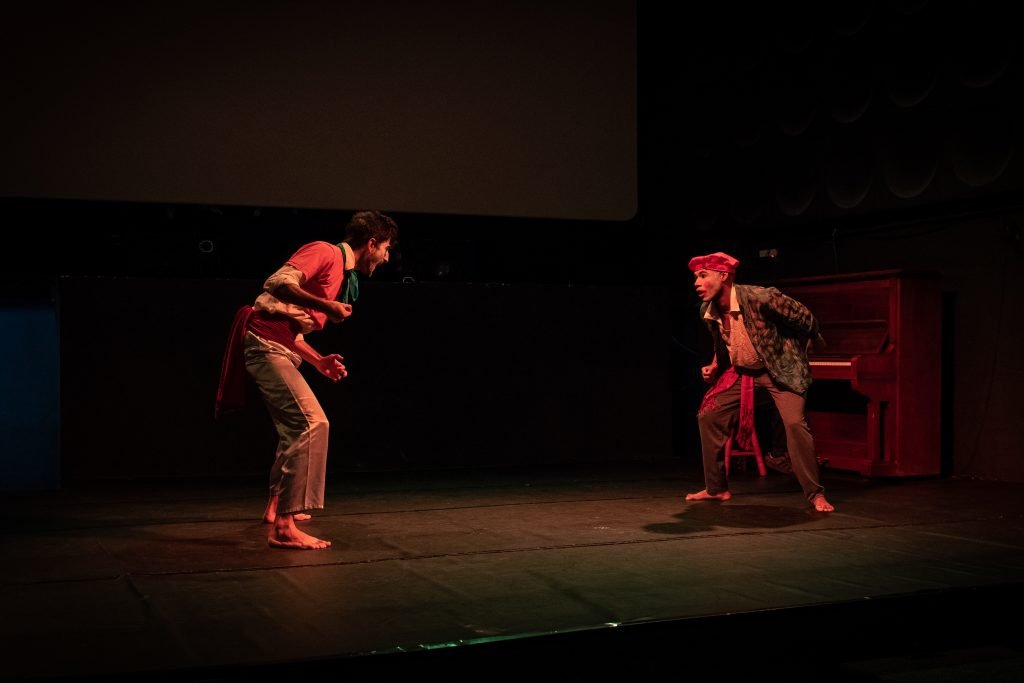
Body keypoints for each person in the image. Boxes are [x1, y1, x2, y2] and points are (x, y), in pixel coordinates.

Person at [216, 211, 398, 548]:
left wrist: (318, 362)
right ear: (371, 243)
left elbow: (293, 329)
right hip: (265, 341)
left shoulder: (341, 273)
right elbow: (277, 283)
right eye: (386, 248)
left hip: (280, 343)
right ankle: (285, 526)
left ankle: (276, 508)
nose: (386, 257)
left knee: (294, 428)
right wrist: (326, 305)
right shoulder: (325, 252)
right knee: (312, 424)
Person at [684, 251, 834, 512]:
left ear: (723, 275)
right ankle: (717, 489)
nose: (696, 282)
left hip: (780, 371)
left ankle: (815, 494)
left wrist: (807, 342)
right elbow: (724, 342)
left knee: (794, 424)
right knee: (709, 416)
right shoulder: (706, 311)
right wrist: (715, 365)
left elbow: (806, 318)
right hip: (744, 374)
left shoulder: (760, 297)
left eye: (702, 275)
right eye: (695, 277)